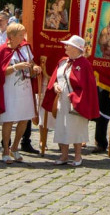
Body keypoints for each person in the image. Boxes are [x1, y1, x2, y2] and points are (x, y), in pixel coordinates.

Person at [42, 35, 99, 166]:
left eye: (68, 45)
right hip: (62, 100)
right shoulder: (63, 62)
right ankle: (64, 155)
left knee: (76, 128)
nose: (65, 47)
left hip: (76, 102)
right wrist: (55, 85)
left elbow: (88, 87)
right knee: (62, 127)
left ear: (76, 48)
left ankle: (78, 156)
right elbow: (56, 77)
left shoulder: (85, 64)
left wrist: (76, 97)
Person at [0, 23, 41, 164]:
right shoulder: (3, 50)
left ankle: (15, 147)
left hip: (24, 89)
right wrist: (15, 67)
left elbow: (32, 62)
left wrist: (35, 67)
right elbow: (0, 72)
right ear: (11, 37)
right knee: (9, 119)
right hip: (10, 90)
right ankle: (5, 149)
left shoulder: (25, 47)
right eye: (20, 35)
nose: (23, 37)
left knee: (24, 119)